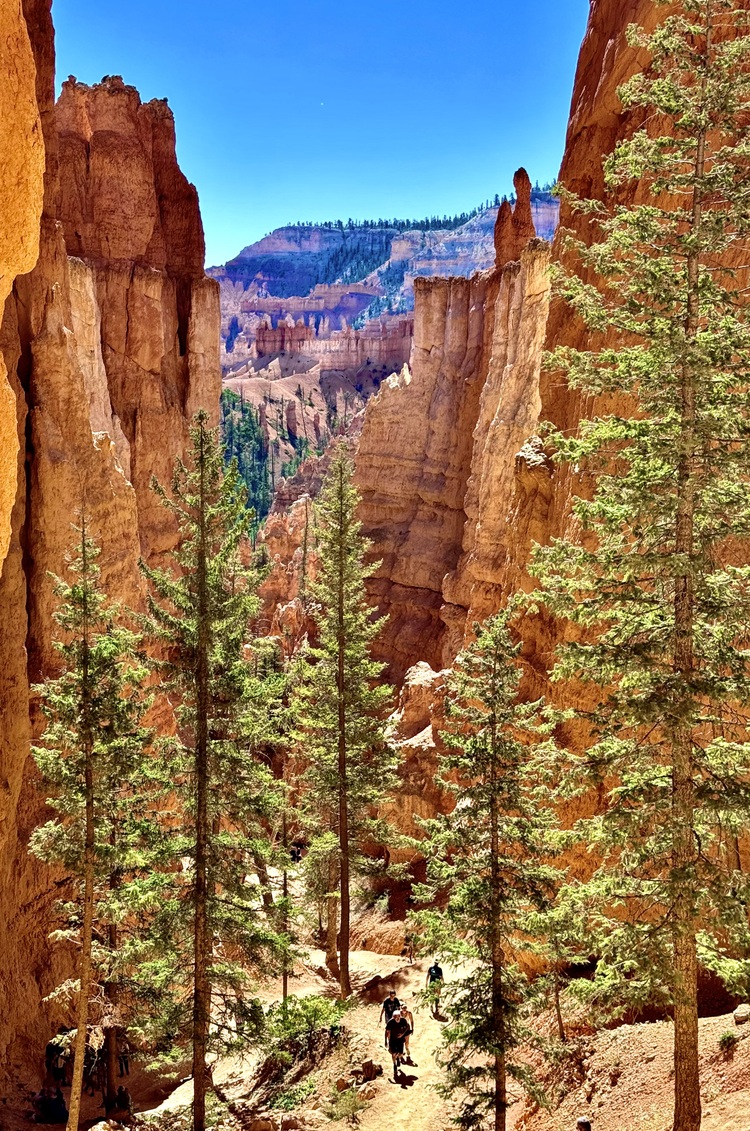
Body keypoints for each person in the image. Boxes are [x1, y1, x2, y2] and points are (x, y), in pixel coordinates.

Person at [384, 1009, 411, 1079]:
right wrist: (386, 1041)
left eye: (398, 1016)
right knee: (393, 1053)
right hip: (393, 1040)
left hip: (400, 1040)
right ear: (393, 1017)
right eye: (395, 1016)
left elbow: (408, 1026)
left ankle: (398, 1058)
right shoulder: (390, 1022)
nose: (397, 1018)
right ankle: (394, 1065)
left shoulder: (403, 1021)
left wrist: (402, 1034)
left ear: (400, 1016)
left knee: (400, 1053)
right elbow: (386, 1032)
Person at [400, 997, 415, 1063]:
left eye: (405, 1008)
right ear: (401, 1008)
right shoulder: (399, 1013)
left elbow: (411, 1021)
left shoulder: (409, 1013)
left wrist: (412, 1028)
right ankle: (401, 1054)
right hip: (400, 1029)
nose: (404, 1009)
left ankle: (407, 1049)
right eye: (403, 1008)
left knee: (406, 1041)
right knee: (400, 1042)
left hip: (407, 1028)